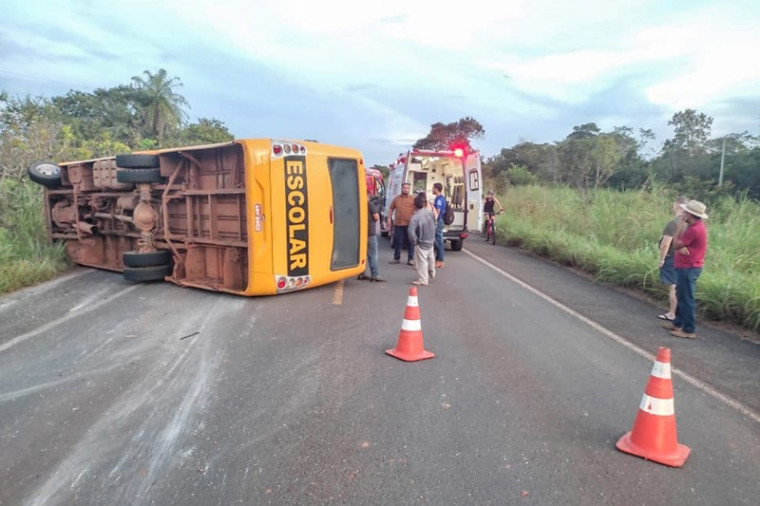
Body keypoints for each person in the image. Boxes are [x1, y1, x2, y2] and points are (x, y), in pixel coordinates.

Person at [663, 200, 708, 339]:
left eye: (686, 213)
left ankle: (689, 329)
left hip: (689, 267)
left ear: (690, 214)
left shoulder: (694, 229)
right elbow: (680, 246)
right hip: (687, 266)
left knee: (686, 298)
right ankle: (678, 323)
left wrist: (680, 225)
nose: (683, 214)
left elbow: (676, 244)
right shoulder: (697, 227)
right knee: (682, 296)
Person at [657, 196, 689, 321]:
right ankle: (679, 313)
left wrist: (662, 259)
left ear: (678, 205)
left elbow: (666, 244)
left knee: (673, 287)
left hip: (672, 257)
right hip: (684, 258)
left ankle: (672, 313)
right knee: (680, 286)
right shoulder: (689, 223)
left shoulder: (673, 223)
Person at [407, 192, 437, 286]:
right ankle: (432, 271)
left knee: (422, 261)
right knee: (431, 257)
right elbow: (435, 223)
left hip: (421, 242)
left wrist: (415, 241)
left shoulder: (415, 217)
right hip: (431, 239)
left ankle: (423, 279)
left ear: (415, 206)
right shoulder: (430, 213)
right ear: (424, 204)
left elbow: (411, 232)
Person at [358, 191, 385, 282]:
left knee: (362, 254)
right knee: (372, 254)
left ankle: (361, 272)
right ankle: (375, 274)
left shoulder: (357, 205)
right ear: (368, 196)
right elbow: (376, 217)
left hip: (360, 234)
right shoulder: (370, 205)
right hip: (370, 233)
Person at [387, 182, 415, 265]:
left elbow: (417, 210)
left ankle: (411, 259)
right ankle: (396, 258)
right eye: (404, 188)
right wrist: (389, 219)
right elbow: (391, 208)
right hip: (398, 224)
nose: (406, 189)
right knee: (398, 242)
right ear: (401, 188)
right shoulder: (396, 199)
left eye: (407, 188)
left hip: (409, 224)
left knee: (410, 242)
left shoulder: (412, 199)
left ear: (409, 189)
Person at [432, 182, 446, 268]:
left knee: (439, 241)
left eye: (433, 188)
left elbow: (437, 211)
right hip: (439, 220)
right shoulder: (438, 198)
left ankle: (440, 260)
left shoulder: (439, 199)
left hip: (438, 221)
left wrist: (434, 221)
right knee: (437, 240)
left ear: (436, 189)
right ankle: (438, 260)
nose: (432, 189)